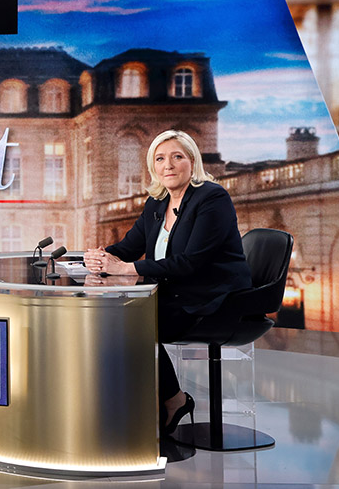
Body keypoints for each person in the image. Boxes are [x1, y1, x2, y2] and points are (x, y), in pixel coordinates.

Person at [83, 130, 251, 435]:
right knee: (117, 318)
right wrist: (100, 257)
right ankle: (152, 401)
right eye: (160, 159)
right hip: (177, 294)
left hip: (216, 300)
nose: (168, 165)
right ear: (153, 167)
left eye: (177, 157)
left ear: (192, 161)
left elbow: (190, 262)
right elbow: (128, 247)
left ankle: (169, 400)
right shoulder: (157, 202)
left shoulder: (212, 198)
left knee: (131, 321)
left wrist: (126, 268)